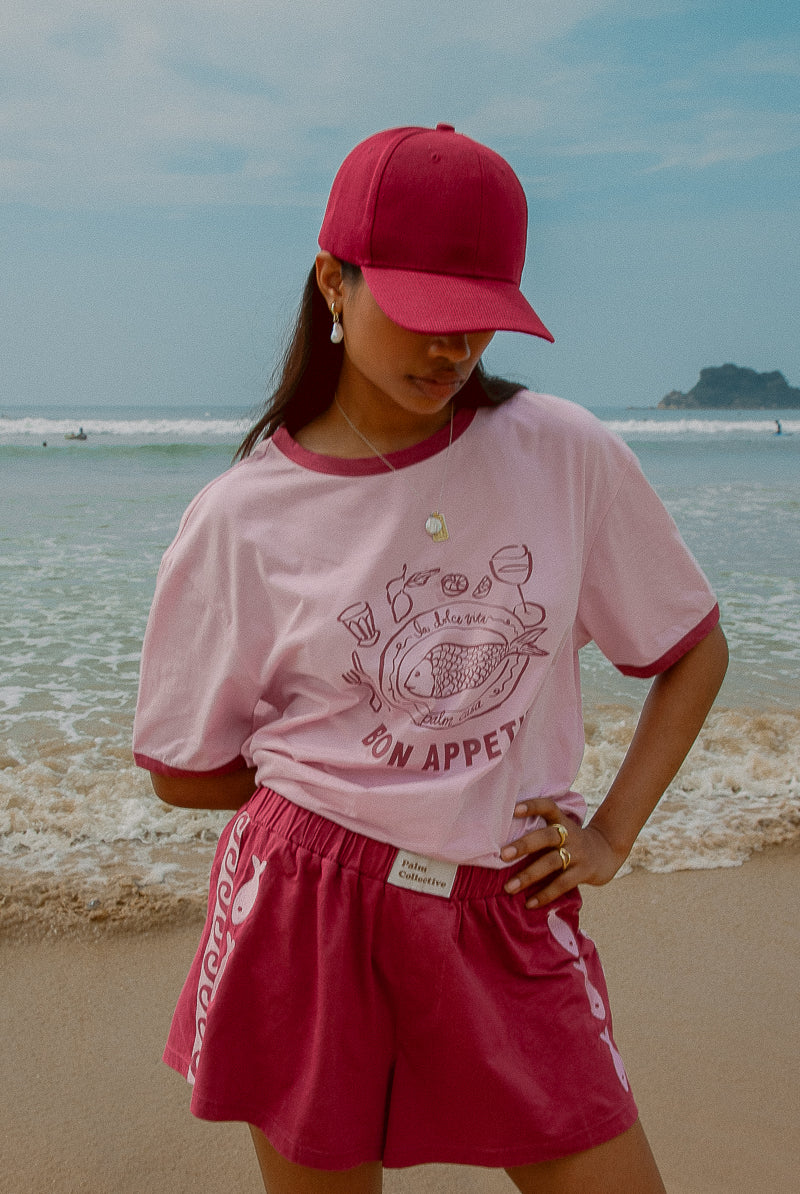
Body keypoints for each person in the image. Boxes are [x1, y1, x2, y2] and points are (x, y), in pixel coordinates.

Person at [133, 123, 728, 1194]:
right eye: (422, 313)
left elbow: (688, 648)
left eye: (478, 322)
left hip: (507, 907)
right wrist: (358, 789)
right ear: (333, 281)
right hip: (307, 912)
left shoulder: (563, 453)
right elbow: (181, 768)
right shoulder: (240, 518)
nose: (451, 350)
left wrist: (610, 834)